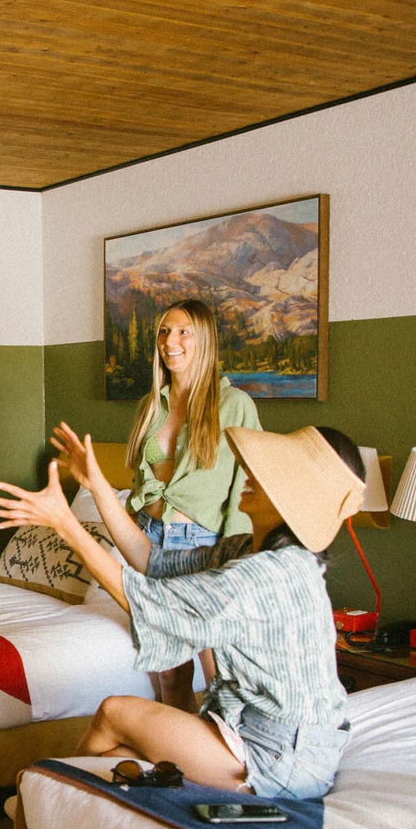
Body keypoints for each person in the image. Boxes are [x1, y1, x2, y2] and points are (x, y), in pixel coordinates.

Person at [0, 425, 365, 800]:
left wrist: (66, 524)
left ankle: (48, 803)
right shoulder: (248, 551)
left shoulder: (269, 575)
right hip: (254, 734)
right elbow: (151, 561)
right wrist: (97, 485)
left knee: (115, 712)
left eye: (268, 473)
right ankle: (68, 811)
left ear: (293, 497)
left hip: (281, 759)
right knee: (118, 758)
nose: (248, 474)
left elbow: (145, 602)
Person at [105, 299, 262, 709]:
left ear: (205, 339)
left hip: (203, 545)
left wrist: (236, 557)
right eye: (163, 331)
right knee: (169, 676)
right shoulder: (151, 405)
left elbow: (249, 484)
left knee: (219, 676)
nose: (169, 341)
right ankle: (176, 767)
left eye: (183, 332)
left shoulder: (235, 405)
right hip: (149, 539)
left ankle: (225, 761)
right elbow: (142, 480)